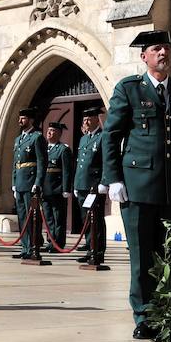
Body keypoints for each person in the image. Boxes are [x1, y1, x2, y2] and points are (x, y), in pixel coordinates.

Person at [103, 30, 171, 340]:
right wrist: (113, 178)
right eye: (157, 49)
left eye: (167, 49)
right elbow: (112, 136)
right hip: (138, 185)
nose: (163, 54)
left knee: (169, 252)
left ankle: (168, 310)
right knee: (143, 256)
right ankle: (144, 315)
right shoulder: (129, 89)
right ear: (143, 56)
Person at [10, 108, 48, 260]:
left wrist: (38, 182)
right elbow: (15, 163)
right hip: (19, 182)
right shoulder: (18, 139)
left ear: (31, 120)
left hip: (30, 181)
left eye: (23, 118)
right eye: (20, 118)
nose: (20, 121)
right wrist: (13, 182)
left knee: (31, 217)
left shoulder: (37, 137)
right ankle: (25, 246)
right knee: (22, 217)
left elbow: (41, 161)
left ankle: (34, 246)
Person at [74, 107, 108, 265]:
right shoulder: (83, 139)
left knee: (97, 219)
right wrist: (75, 184)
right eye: (84, 120)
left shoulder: (102, 137)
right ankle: (89, 248)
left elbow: (105, 162)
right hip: (82, 185)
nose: (86, 122)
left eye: (89, 119)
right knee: (86, 219)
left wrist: (103, 182)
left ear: (96, 119)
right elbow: (80, 164)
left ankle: (98, 251)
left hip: (94, 186)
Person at [44, 121, 72, 251]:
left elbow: (67, 170)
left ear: (59, 133)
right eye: (48, 130)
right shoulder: (44, 149)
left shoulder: (63, 149)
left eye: (53, 130)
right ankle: (50, 241)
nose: (49, 132)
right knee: (48, 217)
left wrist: (66, 188)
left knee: (58, 218)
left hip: (57, 189)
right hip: (45, 189)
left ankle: (58, 243)